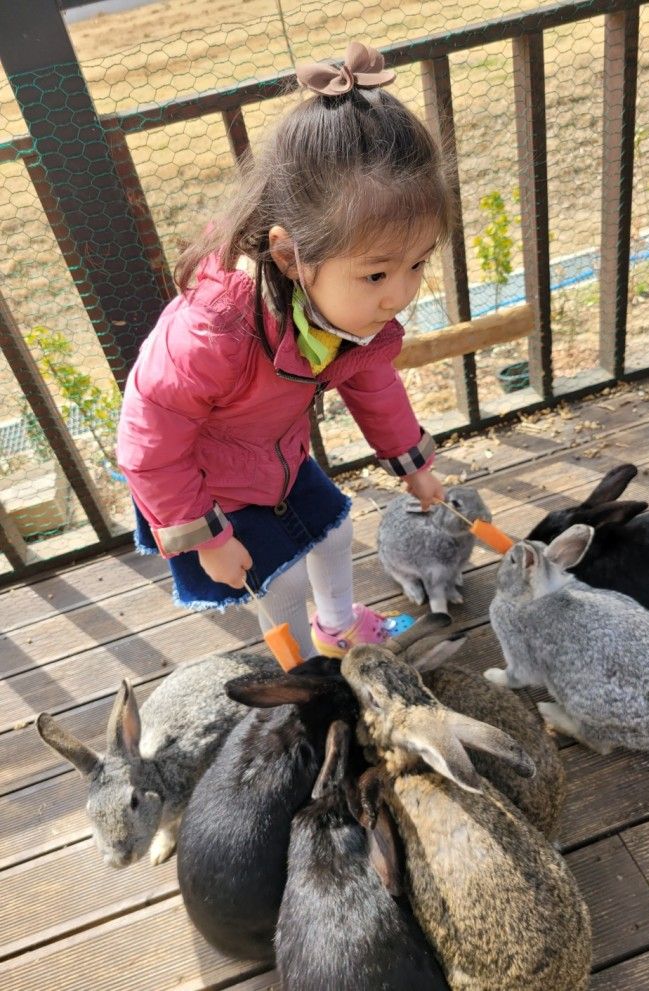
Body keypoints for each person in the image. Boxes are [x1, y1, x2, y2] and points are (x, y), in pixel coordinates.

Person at [116, 40, 452, 660]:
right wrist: (205, 537)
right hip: (203, 482)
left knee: (334, 528)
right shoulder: (214, 330)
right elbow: (147, 440)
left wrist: (414, 463)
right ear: (289, 254)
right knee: (279, 577)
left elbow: (370, 379)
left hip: (275, 456)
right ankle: (306, 681)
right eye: (378, 275)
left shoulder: (338, 310)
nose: (399, 295)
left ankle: (338, 629)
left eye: (418, 264)